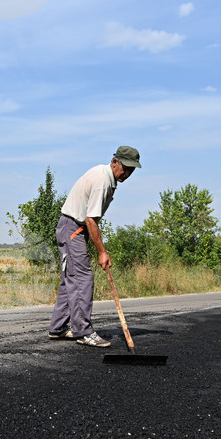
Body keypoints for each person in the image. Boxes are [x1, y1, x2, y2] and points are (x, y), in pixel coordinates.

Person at [48, 146, 141, 347]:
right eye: (125, 168)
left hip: (73, 228)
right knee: (83, 278)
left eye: (131, 170)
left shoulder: (105, 177)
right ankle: (83, 332)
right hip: (73, 228)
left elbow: (90, 220)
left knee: (71, 278)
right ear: (115, 162)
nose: (127, 173)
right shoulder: (102, 181)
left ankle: (58, 327)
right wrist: (102, 252)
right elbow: (91, 220)